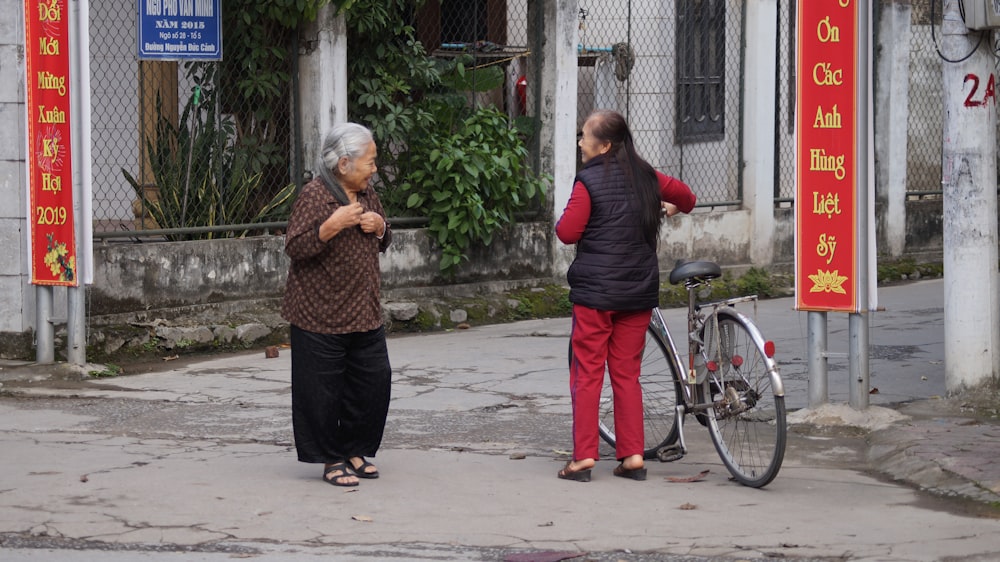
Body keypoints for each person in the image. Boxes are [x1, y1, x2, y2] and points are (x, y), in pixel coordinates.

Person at [555, 110, 696, 482]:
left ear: (604, 145)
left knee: (587, 374)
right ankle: (632, 456)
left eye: (584, 136)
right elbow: (688, 197)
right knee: (627, 374)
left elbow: (567, 232)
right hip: (637, 294)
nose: (580, 142)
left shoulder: (588, 181)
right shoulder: (647, 175)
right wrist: (668, 204)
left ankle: (584, 457)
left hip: (596, 297)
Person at [281, 122, 393, 487]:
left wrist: (380, 227)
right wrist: (330, 226)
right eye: (370, 162)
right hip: (319, 314)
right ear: (344, 163)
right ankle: (331, 459)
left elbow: (384, 236)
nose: (374, 169)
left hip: (363, 310)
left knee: (373, 383)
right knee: (321, 391)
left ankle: (355, 448)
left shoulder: (368, 194)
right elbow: (295, 247)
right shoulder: (315, 196)